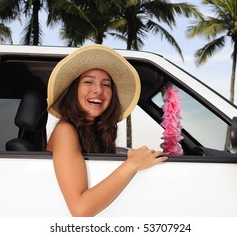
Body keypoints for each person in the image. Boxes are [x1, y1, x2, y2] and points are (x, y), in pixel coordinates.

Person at [46, 44, 167, 217]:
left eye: (106, 85)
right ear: (74, 90)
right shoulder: (65, 131)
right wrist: (133, 164)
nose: (98, 90)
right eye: (88, 82)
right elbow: (80, 210)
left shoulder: (97, 133)